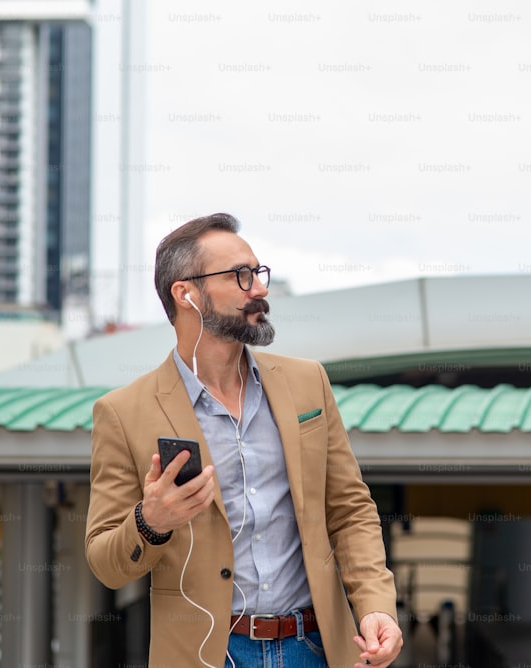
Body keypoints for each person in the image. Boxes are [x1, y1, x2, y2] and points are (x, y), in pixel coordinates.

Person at [85, 213, 402, 668]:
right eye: (241, 275)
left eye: (258, 273)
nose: (259, 289)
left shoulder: (307, 382)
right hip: (208, 654)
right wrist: (150, 520)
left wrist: (375, 607)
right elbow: (105, 563)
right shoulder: (122, 413)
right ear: (186, 293)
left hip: (314, 647)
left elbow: (350, 511)